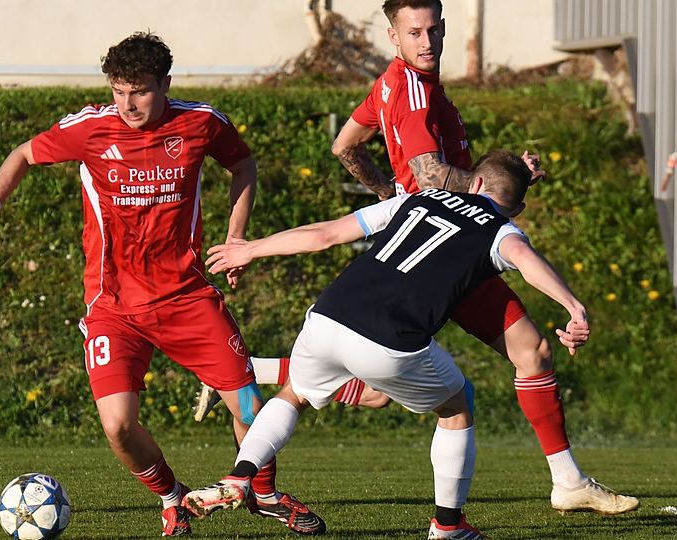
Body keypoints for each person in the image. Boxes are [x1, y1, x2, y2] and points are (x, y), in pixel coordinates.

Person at [204, 0, 636, 515]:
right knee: (521, 359)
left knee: (378, 383)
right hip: (448, 243)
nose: (426, 42)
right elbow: (433, 177)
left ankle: (247, 373)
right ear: (393, 35)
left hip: (412, 231)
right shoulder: (413, 92)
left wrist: (390, 194)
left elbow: (345, 146)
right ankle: (540, 491)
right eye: (414, 33)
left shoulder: (392, 84)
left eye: (432, 30)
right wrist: (498, 186)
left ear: (443, 28)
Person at [0, 32, 325, 537]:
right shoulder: (91, 128)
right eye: (119, 91)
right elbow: (23, 153)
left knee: (248, 406)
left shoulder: (201, 123)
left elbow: (243, 164)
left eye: (140, 91)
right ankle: (172, 498)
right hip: (113, 306)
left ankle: (263, 494)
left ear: (165, 84)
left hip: (186, 297)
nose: (128, 104)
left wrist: (236, 237)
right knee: (118, 425)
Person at [182, 150, 588, 539]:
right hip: (390, 339)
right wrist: (573, 307)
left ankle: (240, 475)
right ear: (517, 208)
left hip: (327, 317)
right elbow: (523, 257)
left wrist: (251, 249)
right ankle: (448, 526)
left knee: (295, 395)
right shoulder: (501, 230)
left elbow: (325, 235)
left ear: (476, 183)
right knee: (457, 404)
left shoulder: (420, 198)